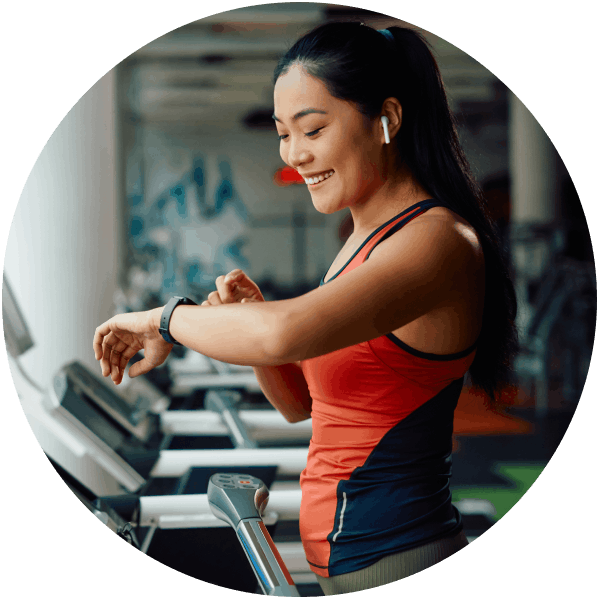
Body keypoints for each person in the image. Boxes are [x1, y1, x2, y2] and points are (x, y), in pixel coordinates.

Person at [93, 22, 518, 594]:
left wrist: (163, 318)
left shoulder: (437, 241)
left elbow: (282, 334)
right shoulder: (362, 242)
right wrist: (254, 320)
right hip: (350, 559)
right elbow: (300, 404)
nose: (295, 155)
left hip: (396, 552)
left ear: (387, 118)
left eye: (312, 129)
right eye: (281, 134)